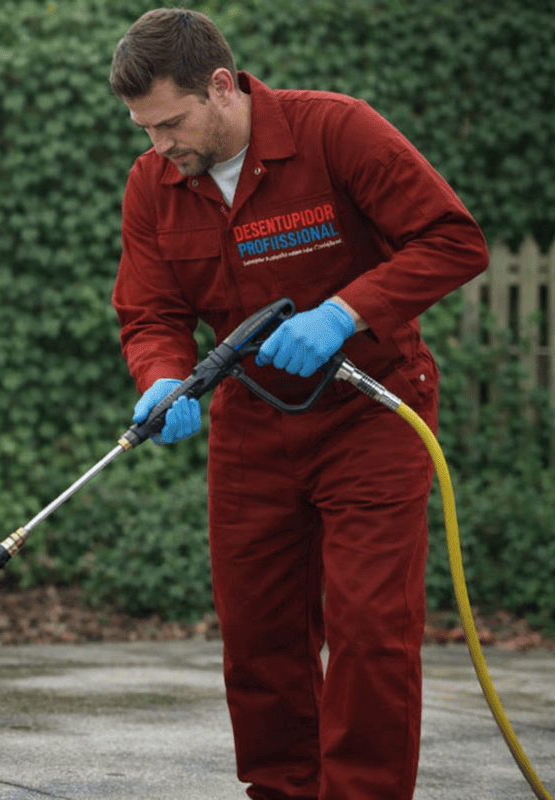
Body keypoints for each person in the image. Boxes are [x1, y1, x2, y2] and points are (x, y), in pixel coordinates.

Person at [108, 9, 488, 800]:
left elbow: (453, 240)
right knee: (259, 636)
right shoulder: (153, 186)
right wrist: (161, 377)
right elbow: (151, 313)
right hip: (252, 424)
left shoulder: (335, 132)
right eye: (145, 129)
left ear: (222, 86)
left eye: (171, 123)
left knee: (371, 630)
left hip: (372, 413)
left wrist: (344, 313)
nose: (159, 145)